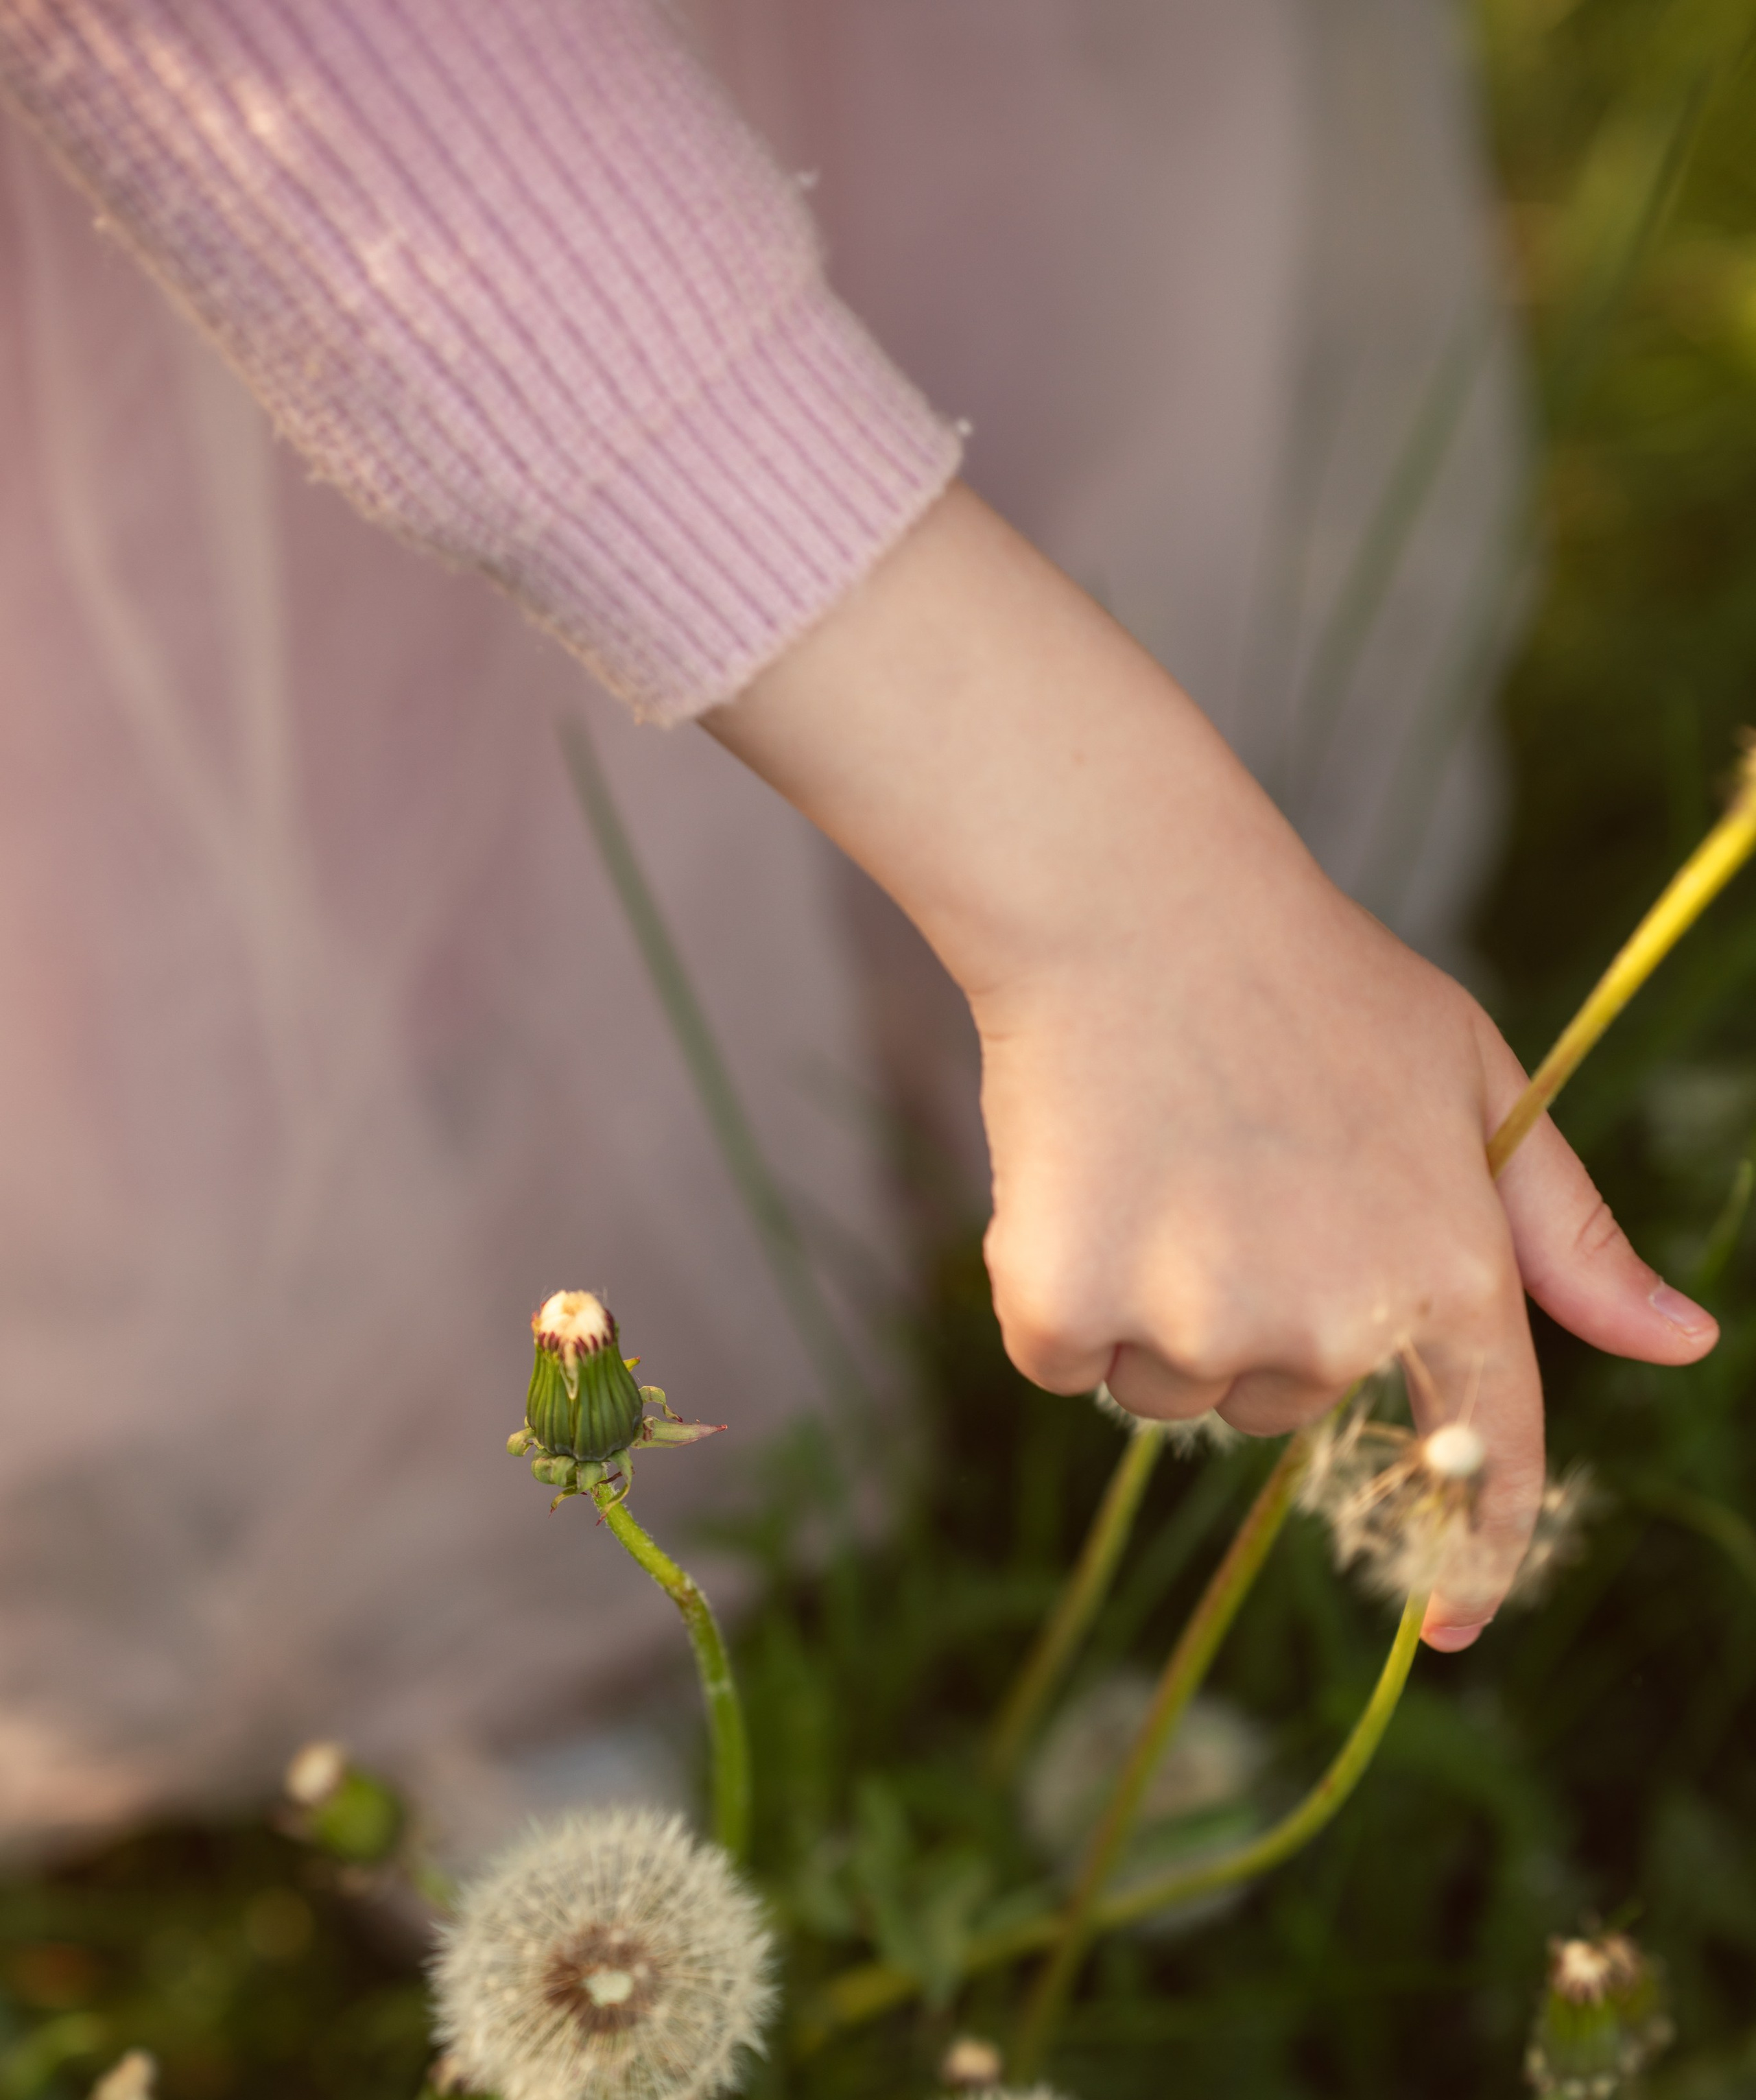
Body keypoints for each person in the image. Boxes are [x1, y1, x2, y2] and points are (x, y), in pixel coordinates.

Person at [0, 0, 1716, 1852]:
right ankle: (455, 1556)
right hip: (367, 169)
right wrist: (1115, 888)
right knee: (337, 747)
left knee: (1010, 311)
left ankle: (1027, 1071)